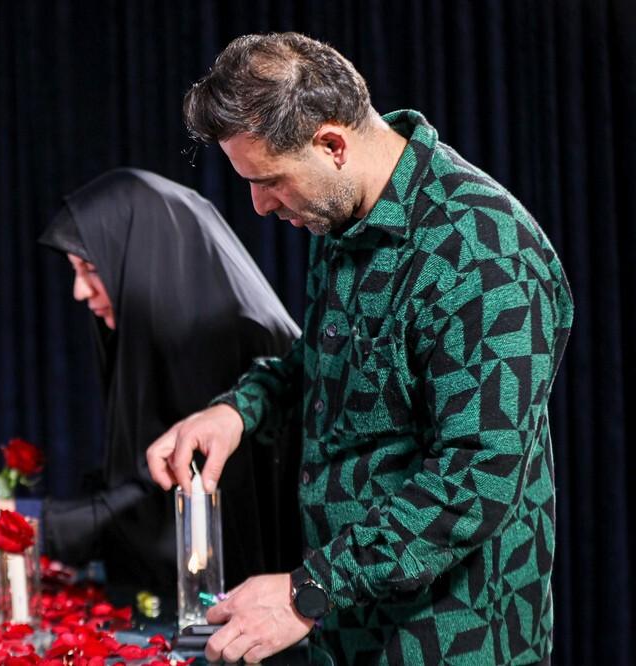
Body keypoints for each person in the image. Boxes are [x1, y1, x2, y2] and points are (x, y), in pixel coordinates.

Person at [146, 33, 573, 665]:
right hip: (345, 630)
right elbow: (324, 365)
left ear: (332, 145)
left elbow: (476, 478)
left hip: (455, 641)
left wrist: (307, 592)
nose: (260, 206)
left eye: (270, 181)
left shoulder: (484, 252)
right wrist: (238, 410)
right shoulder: (341, 216)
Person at [0, 168, 301, 589]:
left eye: (91, 269)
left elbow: (168, 508)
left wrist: (16, 518)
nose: (80, 292)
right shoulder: (168, 333)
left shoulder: (219, 337)